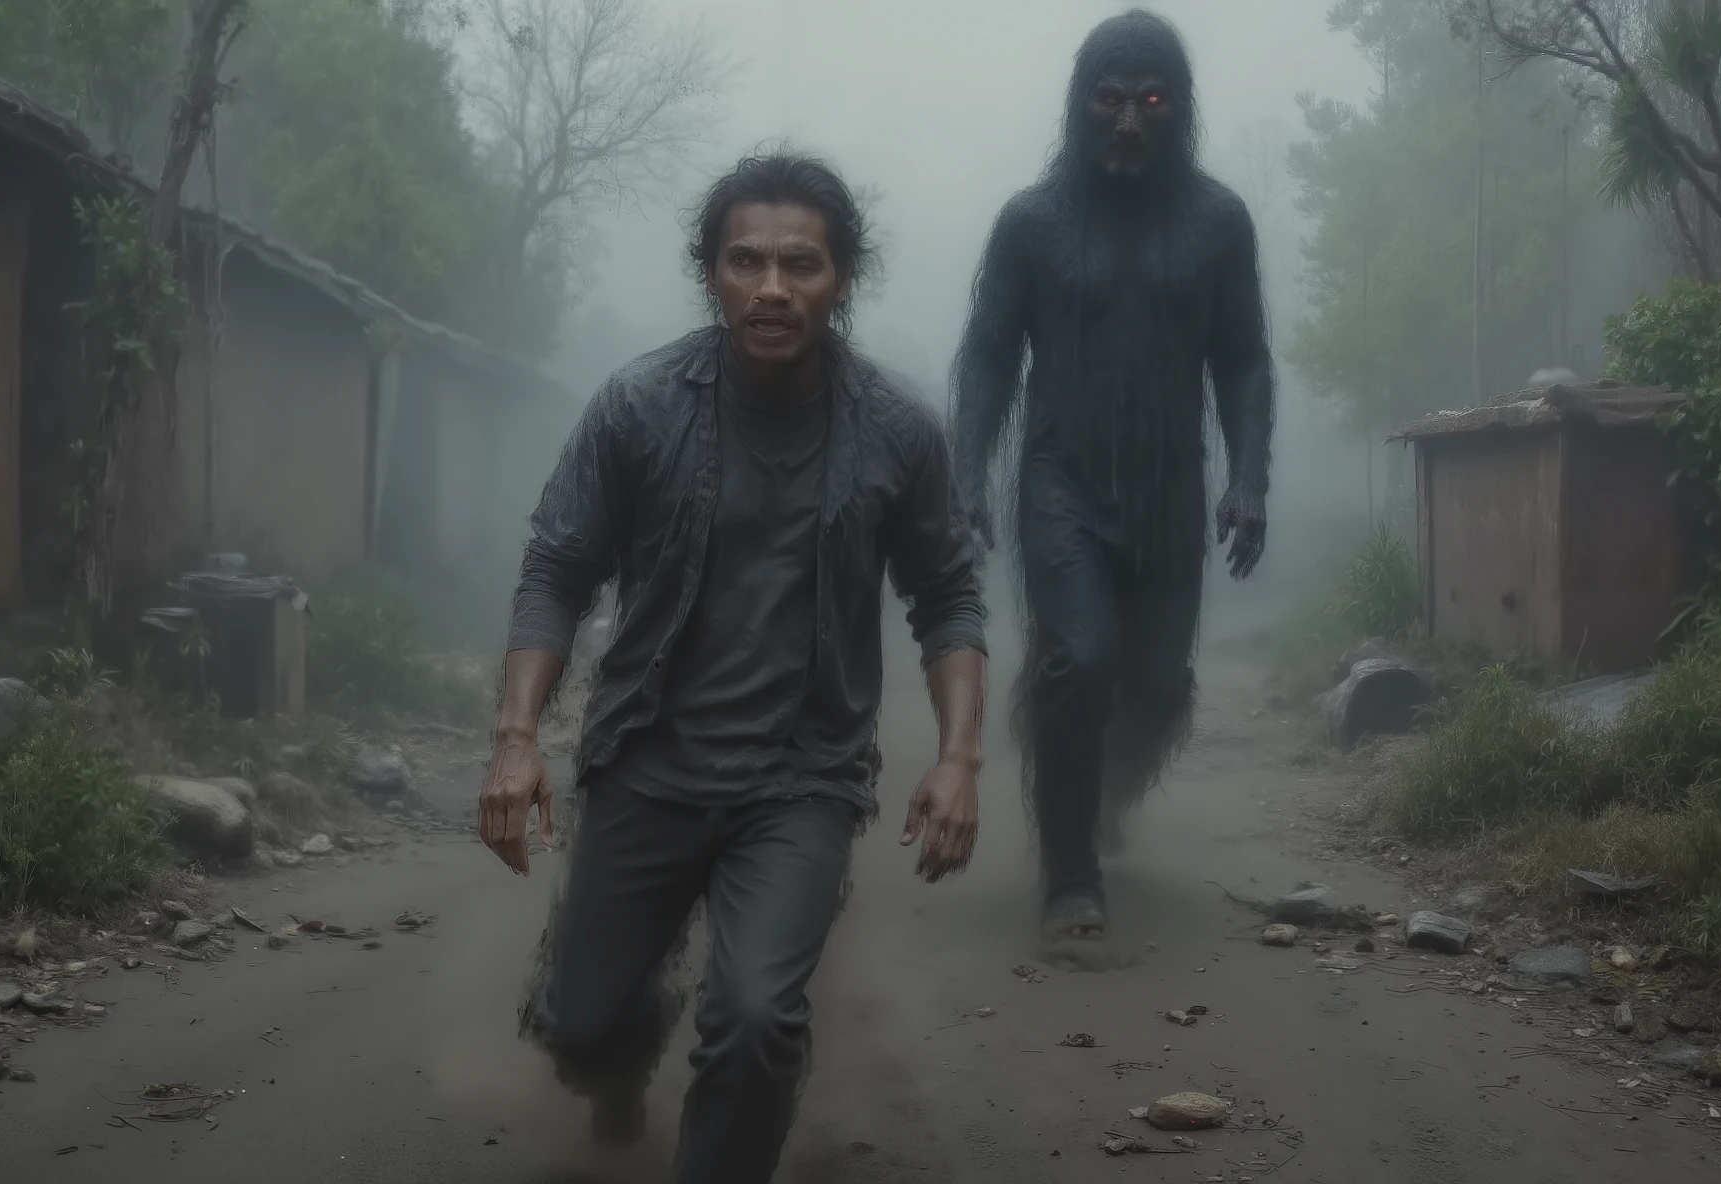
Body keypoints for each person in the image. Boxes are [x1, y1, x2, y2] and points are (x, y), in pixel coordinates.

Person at [478, 150, 988, 1184]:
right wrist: (517, 739)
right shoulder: (638, 407)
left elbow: (947, 594)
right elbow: (557, 570)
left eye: (800, 263)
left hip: (800, 778)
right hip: (646, 760)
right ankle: (618, 1055)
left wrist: (958, 758)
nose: (771, 287)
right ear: (709, 271)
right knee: (581, 1025)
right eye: (745, 260)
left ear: (842, 277)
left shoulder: (896, 430)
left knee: (756, 1015)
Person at [949, 10, 1275, 960]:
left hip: (1171, 487)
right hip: (1062, 475)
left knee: (1161, 687)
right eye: (1110, 99)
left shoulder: (1218, 223)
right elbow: (988, 354)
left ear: (1179, 111)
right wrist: (967, 472)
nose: (1129, 121)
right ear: (1080, 107)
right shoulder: (1032, 223)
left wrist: (1249, 479)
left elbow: (1244, 360)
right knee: (1081, 656)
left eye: (1152, 100)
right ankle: (1070, 879)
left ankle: (1097, 794)